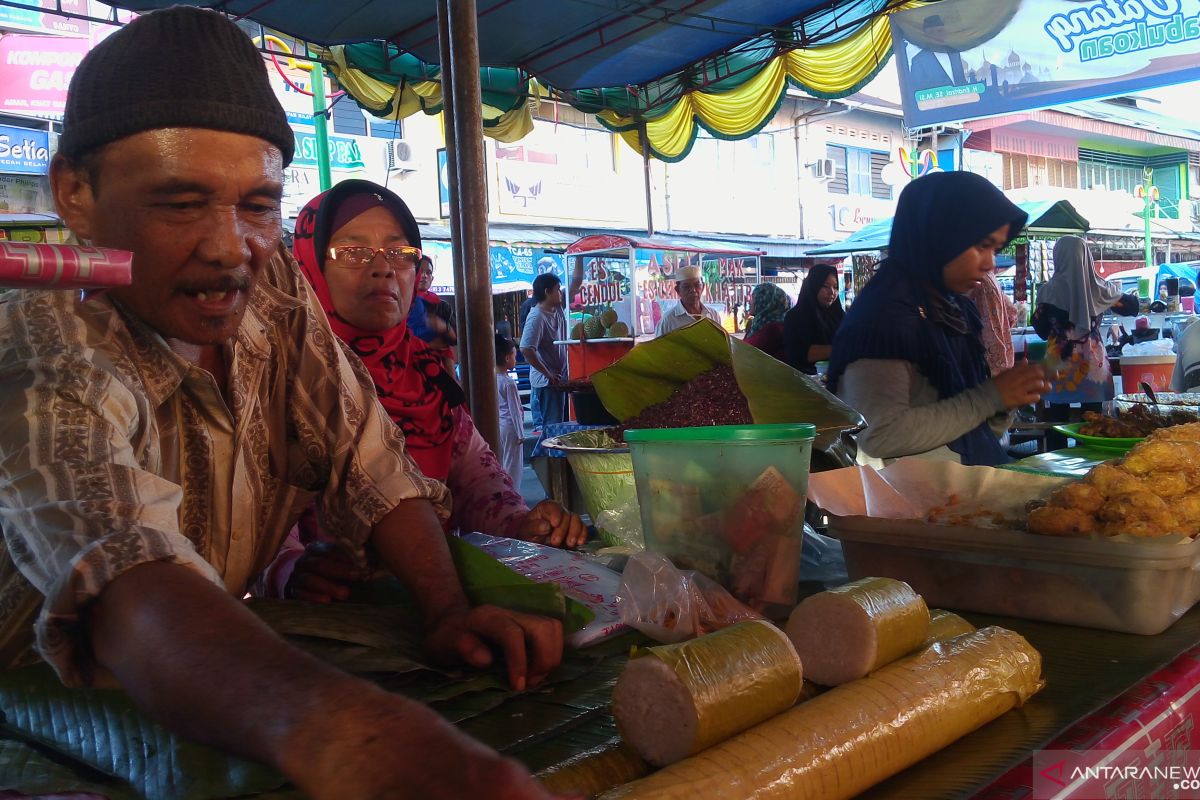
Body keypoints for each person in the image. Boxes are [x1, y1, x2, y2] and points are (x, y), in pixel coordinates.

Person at [0, 10, 566, 800]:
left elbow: (367, 459)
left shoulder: (271, 296)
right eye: (180, 203)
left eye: (257, 206)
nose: (230, 246)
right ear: (75, 195)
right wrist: (350, 739)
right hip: (34, 728)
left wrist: (442, 610)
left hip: (193, 702)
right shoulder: (41, 342)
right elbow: (129, 579)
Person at [278, 181, 585, 592]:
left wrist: (524, 522)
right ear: (309, 266)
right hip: (321, 628)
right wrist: (287, 571)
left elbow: (477, 481)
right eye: (353, 252)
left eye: (399, 253)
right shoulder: (278, 380)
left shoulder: (426, 377)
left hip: (437, 609)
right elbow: (254, 515)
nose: (383, 267)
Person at [827, 171, 1050, 466]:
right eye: (982, 245)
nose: (990, 263)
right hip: (921, 503)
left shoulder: (953, 308)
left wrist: (1005, 402)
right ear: (942, 234)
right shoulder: (883, 317)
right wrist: (989, 398)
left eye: (995, 249)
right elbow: (880, 433)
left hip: (969, 491)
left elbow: (974, 429)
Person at [1032, 235, 1138, 449]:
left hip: (1058, 363)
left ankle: (1055, 465)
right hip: (1093, 363)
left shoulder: (1047, 291)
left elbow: (1042, 330)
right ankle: (1089, 465)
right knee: (1092, 420)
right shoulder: (1102, 289)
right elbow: (1132, 307)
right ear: (1087, 257)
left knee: (1057, 420)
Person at [520, 273, 569, 428]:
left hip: (558, 378)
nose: (560, 293)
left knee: (561, 427)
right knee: (553, 428)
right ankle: (549, 453)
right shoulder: (537, 316)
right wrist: (547, 373)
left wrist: (579, 256)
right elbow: (526, 348)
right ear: (547, 292)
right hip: (547, 383)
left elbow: (576, 282)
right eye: (557, 290)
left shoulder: (557, 308)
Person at [783, 264, 845, 374]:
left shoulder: (840, 316)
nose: (832, 292)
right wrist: (840, 348)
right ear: (813, 286)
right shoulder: (795, 317)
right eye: (825, 286)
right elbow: (798, 354)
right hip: (806, 383)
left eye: (835, 287)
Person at [409, 254, 458, 374]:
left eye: (428, 272)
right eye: (420, 271)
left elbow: (455, 339)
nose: (424, 276)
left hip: (441, 367)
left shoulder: (442, 306)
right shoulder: (402, 304)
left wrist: (443, 327)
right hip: (411, 367)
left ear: (432, 278)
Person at [967, 270, 1018, 375]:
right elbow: (1012, 313)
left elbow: (988, 332)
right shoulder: (990, 278)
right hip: (1003, 359)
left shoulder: (980, 282)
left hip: (990, 365)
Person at [655, 265, 722, 336]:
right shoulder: (668, 321)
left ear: (703, 287)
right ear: (678, 290)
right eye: (686, 287)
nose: (693, 290)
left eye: (697, 285)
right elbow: (658, 347)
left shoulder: (713, 315)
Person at [495, 335, 525, 488]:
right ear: (507, 358)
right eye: (514, 355)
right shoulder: (508, 383)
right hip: (511, 428)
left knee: (502, 462)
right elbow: (515, 410)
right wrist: (520, 433)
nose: (516, 359)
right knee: (513, 466)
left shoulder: (492, 379)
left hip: (499, 426)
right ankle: (513, 495)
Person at [742, 282, 789, 360]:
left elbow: (749, 354)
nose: (750, 302)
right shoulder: (758, 324)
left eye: (753, 298)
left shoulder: (773, 329)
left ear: (763, 301)